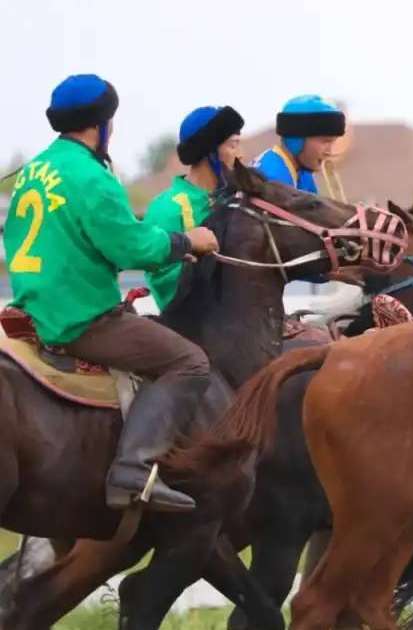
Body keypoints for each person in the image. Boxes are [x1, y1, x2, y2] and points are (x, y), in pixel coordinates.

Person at [4, 74, 220, 511]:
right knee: (191, 362)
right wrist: (188, 242)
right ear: (102, 125)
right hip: (80, 318)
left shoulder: (32, 172)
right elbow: (131, 246)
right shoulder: (92, 177)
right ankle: (133, 469)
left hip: (28, 309)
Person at [143, 105, 244, 310]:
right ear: (209, 152)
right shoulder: (167, 208)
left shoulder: (237, 200)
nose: (241, 155)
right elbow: (164, 283)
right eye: (233, 145)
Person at [253, 95, 345, 193]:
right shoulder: (273, 179)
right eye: (325, 141)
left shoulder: (302, 172)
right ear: (296, 141)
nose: (329, 152)